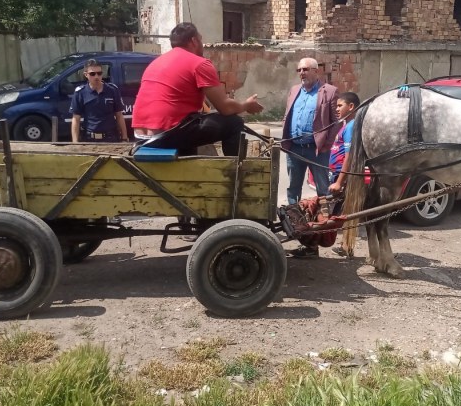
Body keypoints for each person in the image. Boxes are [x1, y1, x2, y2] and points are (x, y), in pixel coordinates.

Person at [132, 22, 263, 155]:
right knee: (234, 122)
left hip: (140, 137)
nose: (202, 44)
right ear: (194, 41)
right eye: (201, 39)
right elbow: (225, 108)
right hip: (167, 135)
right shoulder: (199, 64)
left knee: (194, 121)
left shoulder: (156, 63)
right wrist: (246, 105)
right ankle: (235, 172)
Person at [282, 58, 339, 257]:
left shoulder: (328, 91)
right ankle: (294, 228)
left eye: (305, 69)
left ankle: (321, 235)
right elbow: (287, 115)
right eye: (299, 69)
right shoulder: (294, 90)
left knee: (323, 192)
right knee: (293, 190)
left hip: (317, 151)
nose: (302, 73)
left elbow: (335, 122)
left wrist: (326, 145)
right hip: (295, 149)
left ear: (316, 71)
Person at [327, 92, 360, 257]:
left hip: (341, 177)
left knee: (343, 214)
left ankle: (347, 247)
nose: (337, 109)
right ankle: (346, 246)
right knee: (342, 213)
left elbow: (350, 156)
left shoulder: (351, 126)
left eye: (340, 106)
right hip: (336, 175)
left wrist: (339, 182)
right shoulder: (346, 124)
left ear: (351, 106)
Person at [70, 59, 129, 143]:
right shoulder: (80, 92)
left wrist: (124, 138)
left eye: (99, 73)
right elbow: (76, 118)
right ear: (86, 75)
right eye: (92, 74)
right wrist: (75, 142)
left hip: (111, 138)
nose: (96, 76)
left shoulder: (112, 90)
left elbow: (119, 115)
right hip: (89, 139)